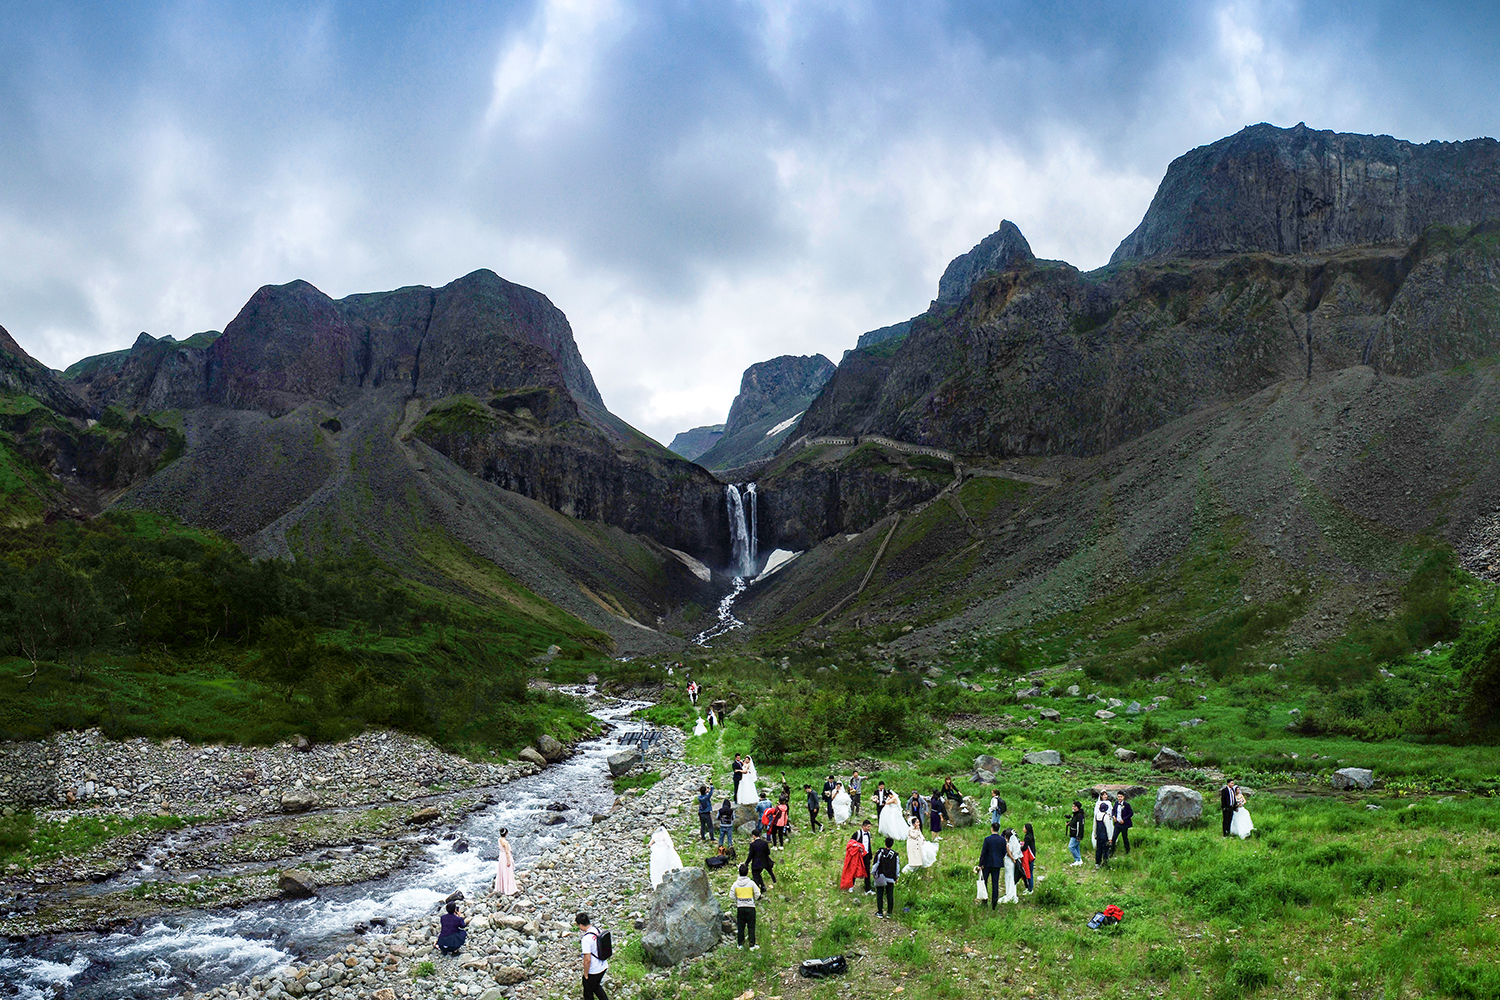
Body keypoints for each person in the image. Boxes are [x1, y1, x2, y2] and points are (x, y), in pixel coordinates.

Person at [578, 912, 609, 1000]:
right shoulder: (596, 930)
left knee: (588, 992)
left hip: (594, 970)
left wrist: (586, 974)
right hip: (603, 965)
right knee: (596, 987)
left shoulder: (586, 939)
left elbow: (587, 960)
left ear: (581, 925)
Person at [730, 864, 761, 950]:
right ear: (747, 872)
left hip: (740, 907)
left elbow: (731, 895)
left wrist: (738, 900)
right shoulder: (751, 883)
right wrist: (752, 899)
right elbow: (758, 894)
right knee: (751, 926)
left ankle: (740, 944)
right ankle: (752, 944)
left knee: (741, 926)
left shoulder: (735, 884)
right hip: (750, 907)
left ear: (739, 872)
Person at [977, 822, 1006, 910]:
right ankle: (994, 903)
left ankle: (984, 900)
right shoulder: (1002, 840)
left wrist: (980, 864)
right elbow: (1004, 851)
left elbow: (983, 853)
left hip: (987, 864)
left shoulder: (987, 839)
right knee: (995, 883)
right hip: (997, 864)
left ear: (991, 829)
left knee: (984, 882)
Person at [872, 836, 900, 918]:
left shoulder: (880, 852)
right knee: (890, 895)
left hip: (881, 876)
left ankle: (880, 912)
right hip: (891, 877)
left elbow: (876, 863)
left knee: (880, 894)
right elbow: (897, 867)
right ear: (892, 844)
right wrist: (896, 877)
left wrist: (873, 873)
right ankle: (889, 913)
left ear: (885, 843)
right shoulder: (895, 855)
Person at [494, 828, 517, 896]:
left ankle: (501, 888)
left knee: (501, 871)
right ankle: (508, 889)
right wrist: (509, 861)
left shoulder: (499, 840)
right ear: (506, 833)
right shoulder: (505, 842)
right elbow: (507, 852)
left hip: (501, 856)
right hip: (505, 857)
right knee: (508, 872)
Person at [1001, 827, 1021, 903]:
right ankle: (1012, 893)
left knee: (1008, 876)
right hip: (1013, 862)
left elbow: (1008, 853)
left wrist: (1012, 858)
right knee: (1012, 876)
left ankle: (1009, 893)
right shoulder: (1016, 843)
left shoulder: (1008, 844)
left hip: (1009, 862)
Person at [1093, 793, 1113, 868]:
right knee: (1105, 850)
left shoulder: (1096, 816)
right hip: (1105, 836)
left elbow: (1094, 826)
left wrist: (1095, 835)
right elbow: (1108, 828)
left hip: (1098, 835)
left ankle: (1097, 863)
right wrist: (1110, 838)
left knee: (1098, 849)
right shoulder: (1106, 816)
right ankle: (1105, 863)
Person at [854, 819, 874, 894]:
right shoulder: (857, 833)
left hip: (866, 855)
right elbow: (851, 843)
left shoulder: (868, 834)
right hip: (858, 855)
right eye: (868, 827)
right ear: (863, 826)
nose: (869, 828)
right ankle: (851, 886)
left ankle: (867, 888)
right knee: (855, 869)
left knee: (867, 871)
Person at [1066, 801, 1086, 866]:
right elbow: (1074, 823)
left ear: (1077, 807)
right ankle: (1079, 860)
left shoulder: (1079, 816)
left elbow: (1080, 826)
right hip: (1074, 833)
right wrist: (1069, 824)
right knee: (1076, 847)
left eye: (1074, 806)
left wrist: (1079, 836)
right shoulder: (1075, 814)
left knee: (1071, 847)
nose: (1073, 807)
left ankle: (1078, 859)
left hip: (1076, 834)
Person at [1021, 822, 1037, 893]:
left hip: (1029, 857)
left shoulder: (1027, 837)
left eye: (1024, 827)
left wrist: (1020, 847)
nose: (1023, 829)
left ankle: (1030, 889)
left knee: (1029, 872)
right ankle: (1029, 888)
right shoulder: (1031, 836)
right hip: (1032, 856)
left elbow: (1025, 848)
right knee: (1030, 871)